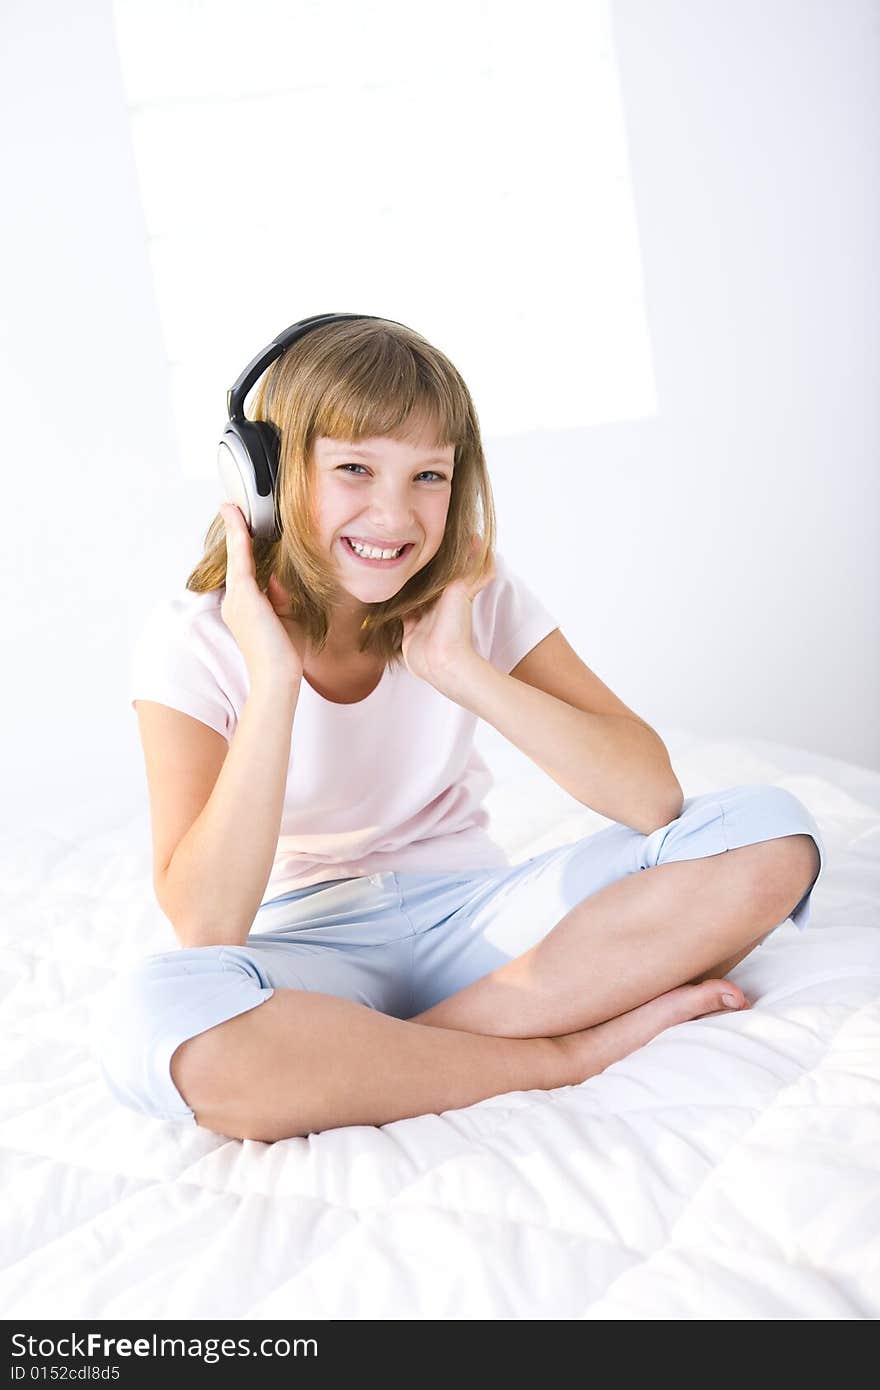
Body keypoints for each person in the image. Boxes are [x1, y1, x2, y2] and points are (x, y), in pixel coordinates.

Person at [91, 317, 825, 1143]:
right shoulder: (192, 639)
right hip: (310, 949)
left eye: (428, 476)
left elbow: (652, 798)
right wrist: (273, 683)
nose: (394, 514)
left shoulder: (471, 596)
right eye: (355, 468)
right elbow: (208, 927)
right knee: (153, 1020)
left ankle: (383, 1058)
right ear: (266, 476)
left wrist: (460, 667)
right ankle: (548, 1055)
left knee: (773, 837)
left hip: (479, 918)